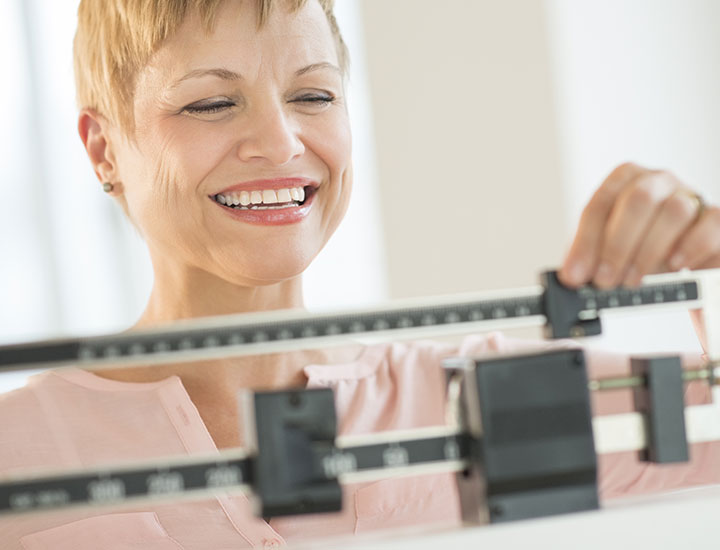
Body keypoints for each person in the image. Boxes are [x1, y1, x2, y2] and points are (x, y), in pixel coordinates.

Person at [1, 0, 719, 548]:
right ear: (102, 149)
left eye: (313, 95)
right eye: (211, 103)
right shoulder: (17, 449)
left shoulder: (482, 393)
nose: (280, 142)